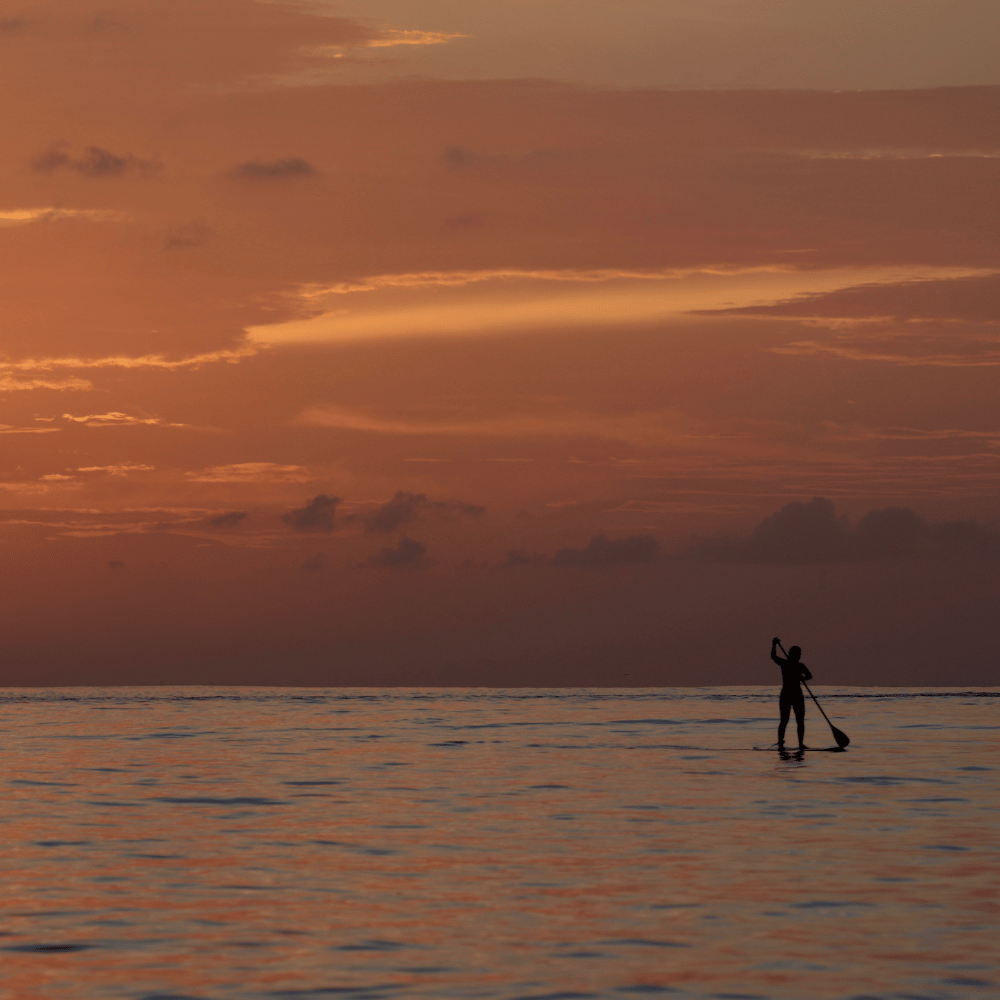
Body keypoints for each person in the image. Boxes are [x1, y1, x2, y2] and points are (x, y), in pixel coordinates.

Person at [770, 637, 812, 748]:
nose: (798, 656)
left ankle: (800, 744)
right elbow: (773, 657)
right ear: (791, 654)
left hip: (797, 694)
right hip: (786, 694)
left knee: (800, 720)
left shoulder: (800, 666)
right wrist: (774, 645)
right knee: (784, 720)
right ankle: (780, 743)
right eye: (797, 654)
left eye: (799, 654)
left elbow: (809, 675)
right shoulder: (785, 664)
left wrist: (802, 677)